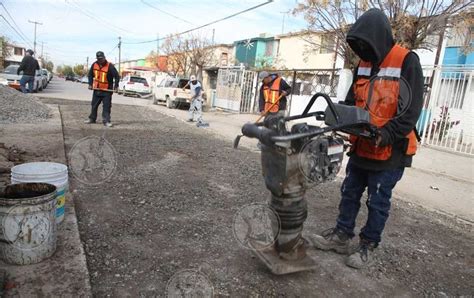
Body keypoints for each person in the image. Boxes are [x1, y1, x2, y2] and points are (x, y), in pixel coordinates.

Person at [311, 8, 423, 269]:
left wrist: (386, 134)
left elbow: (411, 111)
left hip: (391, 148)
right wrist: (341, 119)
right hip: (363, 144)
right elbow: (352, 102)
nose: (364, 52)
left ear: (379, 38)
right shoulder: (362, 64)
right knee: (349, 191)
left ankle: (367, 245)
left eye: (367, 45)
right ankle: (342, 234)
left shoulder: (407, 61)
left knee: (378, 200)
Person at [84, 51, 120, 127]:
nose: (100, 60)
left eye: (101, 58)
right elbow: (90, 75)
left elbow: (117, 76)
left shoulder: (110, 66)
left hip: (107, 90)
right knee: (94, 105)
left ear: (104, 57)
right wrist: (90, 84)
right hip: (97, 89)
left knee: (106, 106)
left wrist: (116, 86)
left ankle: (106, 121)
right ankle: (92, 119)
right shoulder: (94, 64)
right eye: (98, 59)